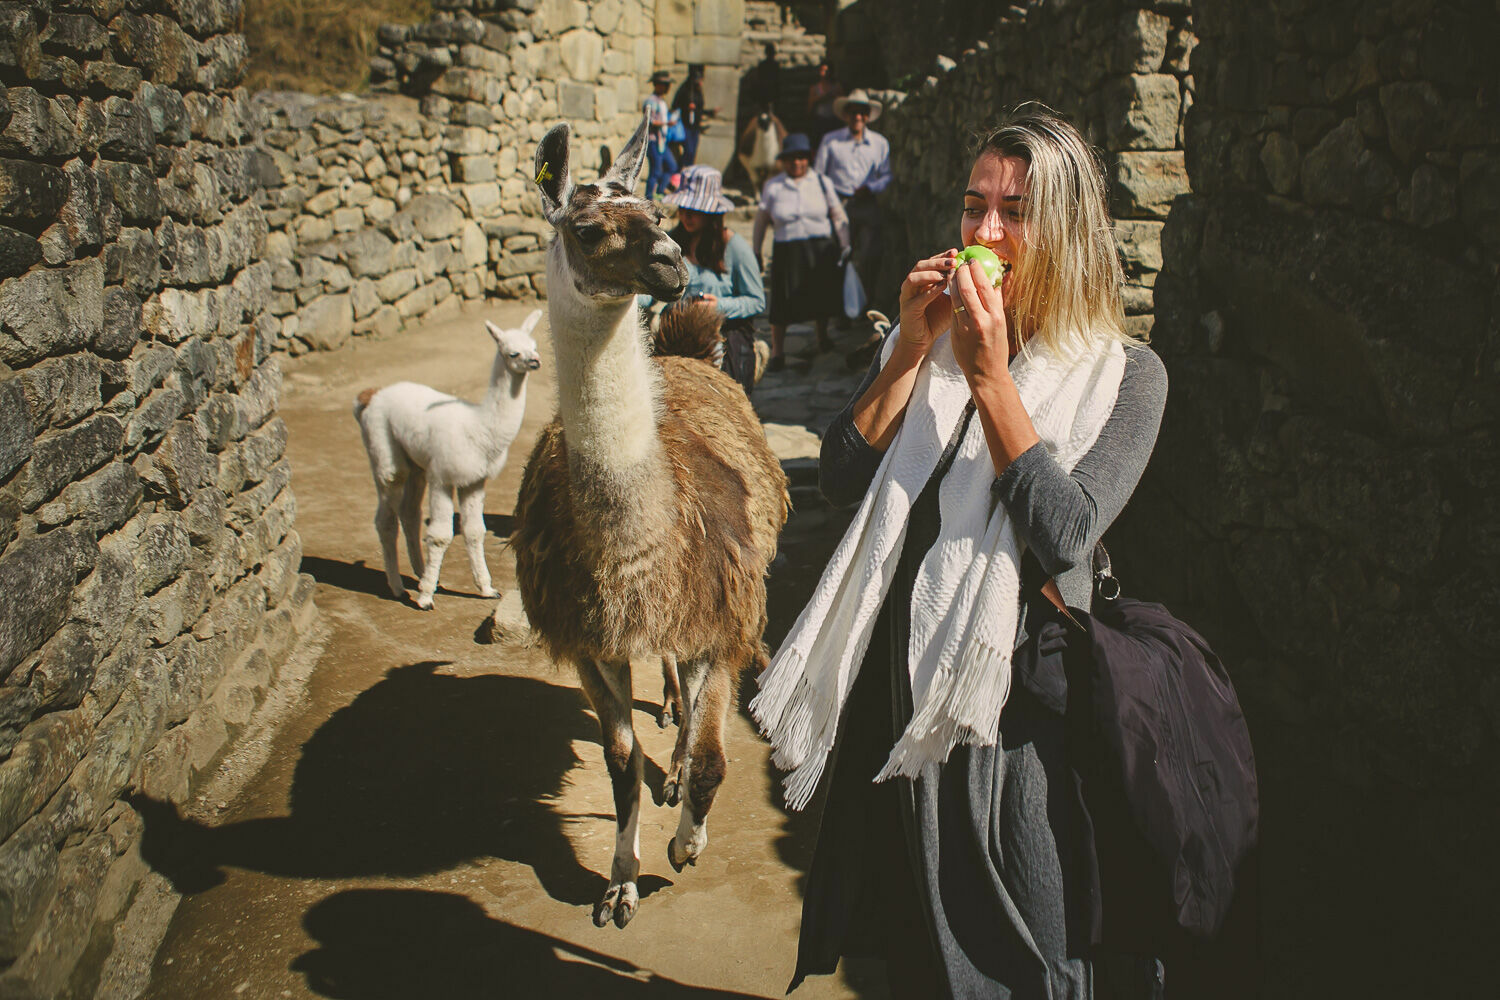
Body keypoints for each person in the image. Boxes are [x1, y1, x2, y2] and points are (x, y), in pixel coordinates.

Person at [751, 104, 1169, 997]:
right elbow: (841, 478)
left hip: (1014, 709)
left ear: (1064, 229)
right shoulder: (931, 342)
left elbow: (1065, 532)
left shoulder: (1126, 376)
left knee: (1025, 936)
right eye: (974, 206)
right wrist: (908, 346)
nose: (984, 231)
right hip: (897, 693)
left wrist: (989, 376)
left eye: (1013, 212)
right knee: (911, 933)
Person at [652, 165, 767, 392]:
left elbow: (756, 300)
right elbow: (653, 285)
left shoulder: (735, 249)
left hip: (721, 336)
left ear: (711, 213)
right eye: (683, 208)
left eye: (694, 210)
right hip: (676, 336)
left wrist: (719, 306)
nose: (686, 215)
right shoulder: (672, 243)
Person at [752, 133, 849, 372]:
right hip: (788, 248)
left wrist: (846, 245)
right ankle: (778, 351)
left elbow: (838, 215)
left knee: (821, 294)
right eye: (792, 159)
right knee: (782, 300)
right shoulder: (773, 186)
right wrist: (756, 250)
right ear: (784, 161)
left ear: (808, 159)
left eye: (802, 158)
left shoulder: (821, 182)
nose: (797, 163)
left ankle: (822, 336)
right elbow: (761, 220)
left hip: (820, 247)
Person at [814, 88, 892, 314]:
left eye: (862, 113)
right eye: (853, 113)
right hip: (838, 204)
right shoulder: (831, 142)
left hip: (867, 203)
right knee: (838, 255)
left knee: (870, 254)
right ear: (846, 115)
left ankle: (863, 304)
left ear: (867, 116)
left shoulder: (879, 143)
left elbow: (886, 174)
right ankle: (839, 309)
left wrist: (870, 187)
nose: (858, 117)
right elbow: (819, 174)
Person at [642, 70, 678, 200]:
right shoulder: (650, 102)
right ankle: (649, 197)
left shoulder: (661, 102)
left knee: (671, 166)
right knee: (655, 171)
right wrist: (666, 123)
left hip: (662, 141)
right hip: (653, 141)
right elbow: (649, 121)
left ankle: (660, 191)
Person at [671, 64, 714, 167]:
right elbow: (676, 105)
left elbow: (699, 109)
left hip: (695, 127)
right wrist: (687, 107)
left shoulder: (698, 91)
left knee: (692, 152)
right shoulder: (685, 89)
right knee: (688, 151)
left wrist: (710, 112)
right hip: (685, 126)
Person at [805, 61, 844, 147]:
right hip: (820, 119)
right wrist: (821, 98)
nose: (824, 73)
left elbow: (841, 101)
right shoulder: (815, 88)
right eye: (822, 70)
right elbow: (810, 104)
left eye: (826, 70)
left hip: (833, 119)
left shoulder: (836, 86)